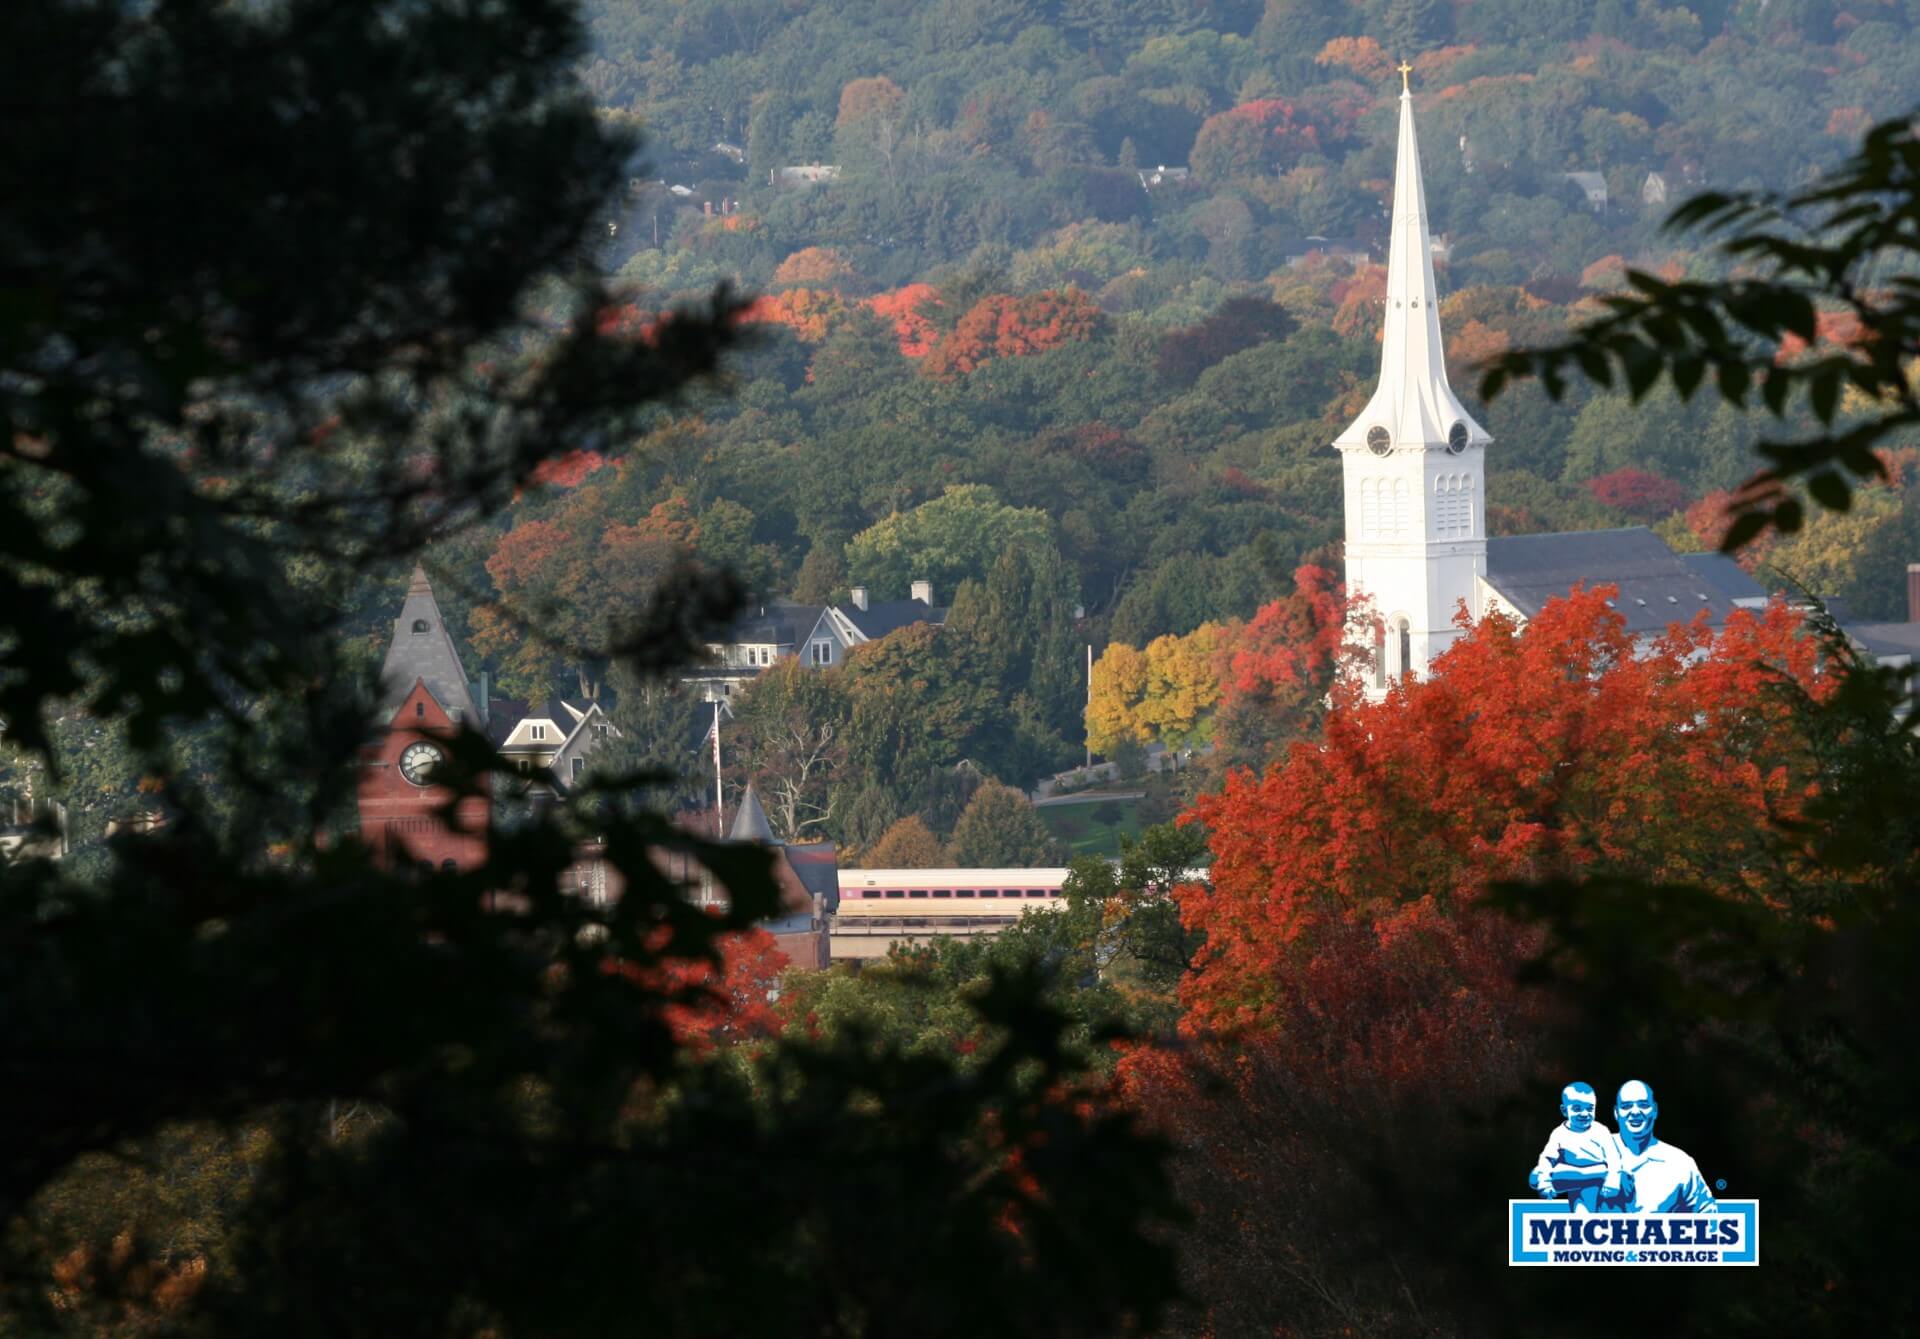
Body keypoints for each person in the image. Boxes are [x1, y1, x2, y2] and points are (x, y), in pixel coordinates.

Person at [1610, 1079, 1718, 1214]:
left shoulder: (1680, 1163)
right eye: (1626, 1106)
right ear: (1616, 1112)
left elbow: (1708, 1215)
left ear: (1655, 1110)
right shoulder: (1593, 1152)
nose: (1635, 1112)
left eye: (1643, 1105)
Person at [1528, 1081, 1624, 1212]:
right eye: (1577, 1108)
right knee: (1536, 1176)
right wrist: (1544, 1180)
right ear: (1564, 1111)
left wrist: (1613, 1179)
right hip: (1571, 1175)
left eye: (1589, 1108)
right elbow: (1547, 1158)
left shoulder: (1600, 1131)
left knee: (1583, 1205)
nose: (1584, 1114)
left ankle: (1599, 1176)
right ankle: (1599, 1173)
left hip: (1594, 1182)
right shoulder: (1559, 1133)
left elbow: (1614, 1158)